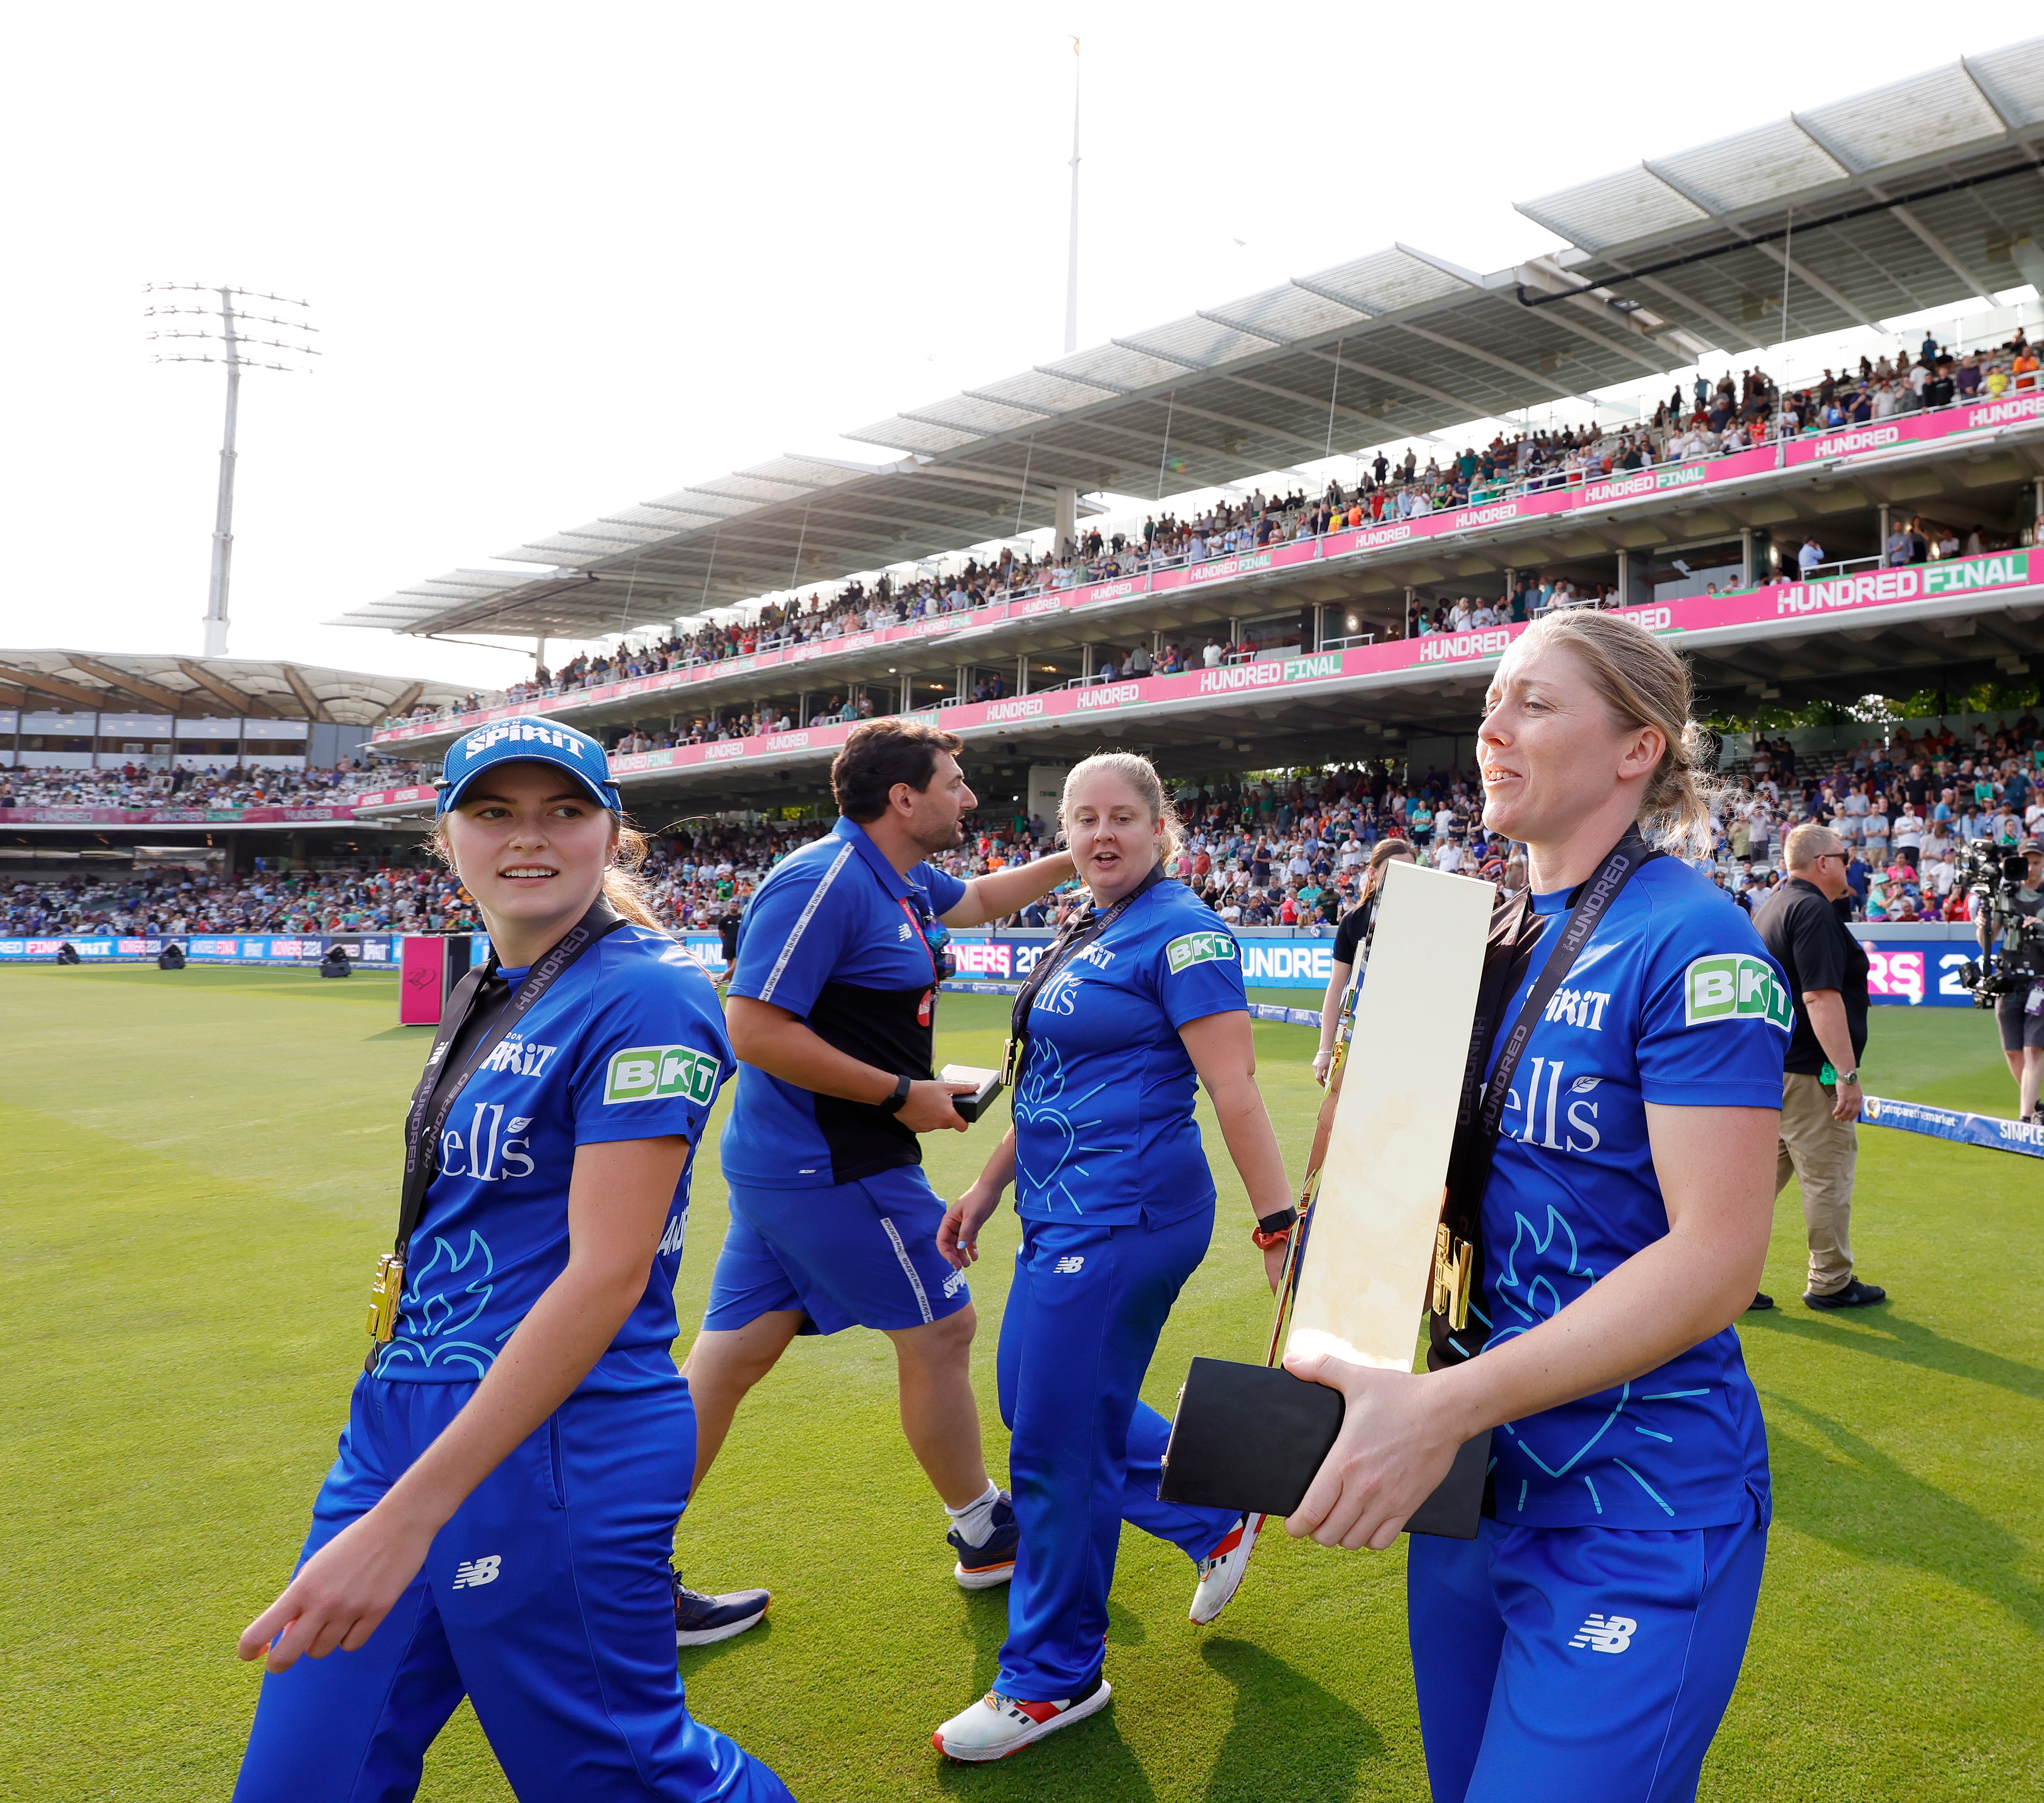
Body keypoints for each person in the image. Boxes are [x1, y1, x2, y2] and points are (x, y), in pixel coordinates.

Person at [1279, 610, 1789, 1803]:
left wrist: (1435, 1406)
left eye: (1532, 703)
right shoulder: (1445, 935)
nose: (1488, 729)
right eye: (1488, 702)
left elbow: (1717, 1258)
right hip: (1464, 1490)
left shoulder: (1691, 938)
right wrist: (1324, 1302)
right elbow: (1373, 1219)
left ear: (1635, 749)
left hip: (1636, 1504)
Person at [233, 716, 791, 1800]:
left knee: (619, 1780)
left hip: (558, 1441)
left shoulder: (649, 993)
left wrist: (410, 1512)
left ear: (610, 834)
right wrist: (395, 1473)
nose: (527, 838)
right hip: (404, 1417)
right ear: (446, 838)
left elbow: (605, 1273)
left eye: (563, 812)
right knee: (302, 1779)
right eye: (493, 812)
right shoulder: (492, 984)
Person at [930, 752, 1297, 1761]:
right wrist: (989, 1183)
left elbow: (1233, 1089)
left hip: (1127, 1216)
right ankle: (1215, 1512)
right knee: (1036, 1401)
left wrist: (1277, 1225)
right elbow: (1044, 1077)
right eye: (1083, 818)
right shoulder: (1090, 922)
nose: (1100, 834)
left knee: (1051, 1444)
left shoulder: (1183, 933)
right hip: (1057, 1212)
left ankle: (1054, 1677)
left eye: (1122, 818)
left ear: (1158, 827)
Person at [678, 722, 1079, 1641]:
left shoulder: (892, 878)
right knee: (942, 1328)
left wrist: (1079, 857)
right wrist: (904, 1095)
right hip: (833, 1165)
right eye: (955, 781)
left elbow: (976, 900)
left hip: (798, 1166)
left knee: (727, 1363)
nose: (969, 798)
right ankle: (984, 1528)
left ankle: (616, 1572)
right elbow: (752, 1027)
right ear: (903, 799)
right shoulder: (821, 880)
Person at [1754, 825, 1885, 1312]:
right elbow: (1820, 996)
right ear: (1823, 862)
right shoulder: (1811, 911)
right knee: (1828, 1175)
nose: (1848, 865)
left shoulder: (1773, 907)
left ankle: (1728, 1280)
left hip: (1772, 1068)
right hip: (1812, 1072)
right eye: (1843, 856)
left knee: (1754, 1183)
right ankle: (1830, 1280)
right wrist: (1846, 1075)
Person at [1980, 851, 2044, 1124]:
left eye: (2037, 862)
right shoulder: (2006, 892)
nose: (2032, 868)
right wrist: (1983, 925)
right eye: (2027, 862)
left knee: (2033, 1048)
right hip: (2010, 977)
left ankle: (2025, 1119)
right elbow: (1988, 939)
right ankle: (2037, 1107)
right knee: (2013, 1051)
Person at [1313, 836, 1417, 1084]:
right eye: (1394, 871)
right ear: (1373, 873)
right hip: (1370, 1042)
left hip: (1419, 1039)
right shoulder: (1354, 921)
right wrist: (1325, 1050)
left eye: (1411, 872)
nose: (1404, 879)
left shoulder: (1431, 919)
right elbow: (1336, 988)